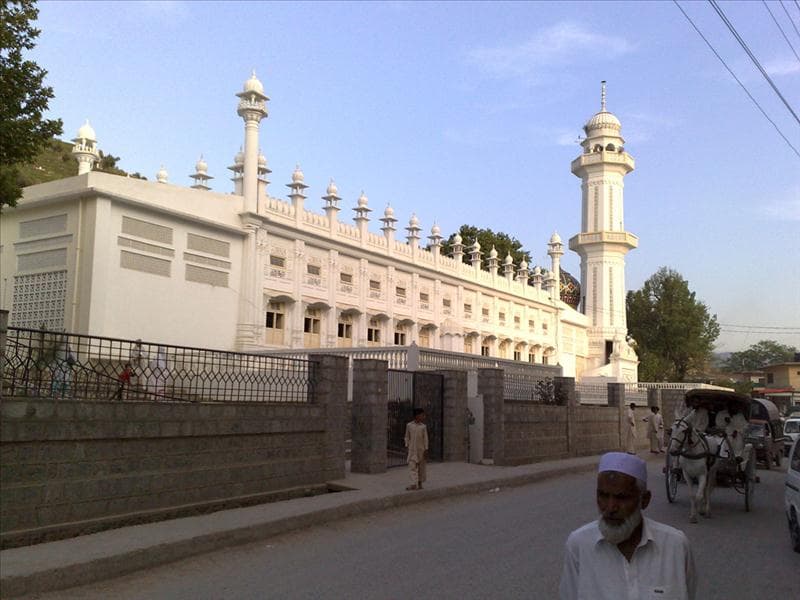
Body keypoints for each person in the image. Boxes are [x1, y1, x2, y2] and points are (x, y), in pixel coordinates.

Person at [559, 452, 696, 600]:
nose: (610, 507)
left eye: (622, 497)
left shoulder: (675, 546)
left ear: (644, 500)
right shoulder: (579, 545)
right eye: (603, 496)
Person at [404, 407, 428, 491]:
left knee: (421, 468)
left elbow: (425, 439)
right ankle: (413, 484)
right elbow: (407, 437)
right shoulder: (409, 425)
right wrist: (407, 445)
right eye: (422, 415)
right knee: (412, 467)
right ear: (417, 416)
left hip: (421, 450)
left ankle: (420, 482)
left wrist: (426, 449)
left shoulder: (423, 427)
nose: (423, 417)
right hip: (412, 450)